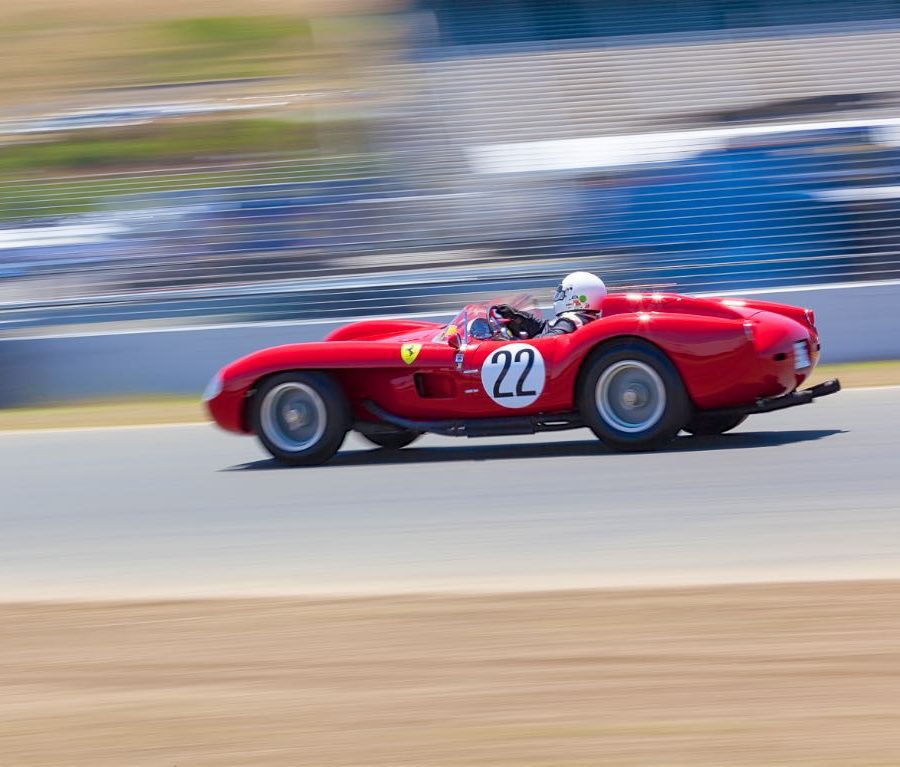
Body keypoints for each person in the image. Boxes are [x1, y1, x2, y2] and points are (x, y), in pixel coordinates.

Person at [494, 271, 606, 338]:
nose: (559, 296)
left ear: (577, 297)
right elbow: (545, 327)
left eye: (563, 293)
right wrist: (516, 317)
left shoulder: (572, 321)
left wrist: (519, 342)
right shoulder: (584, 318)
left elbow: (547, 341)